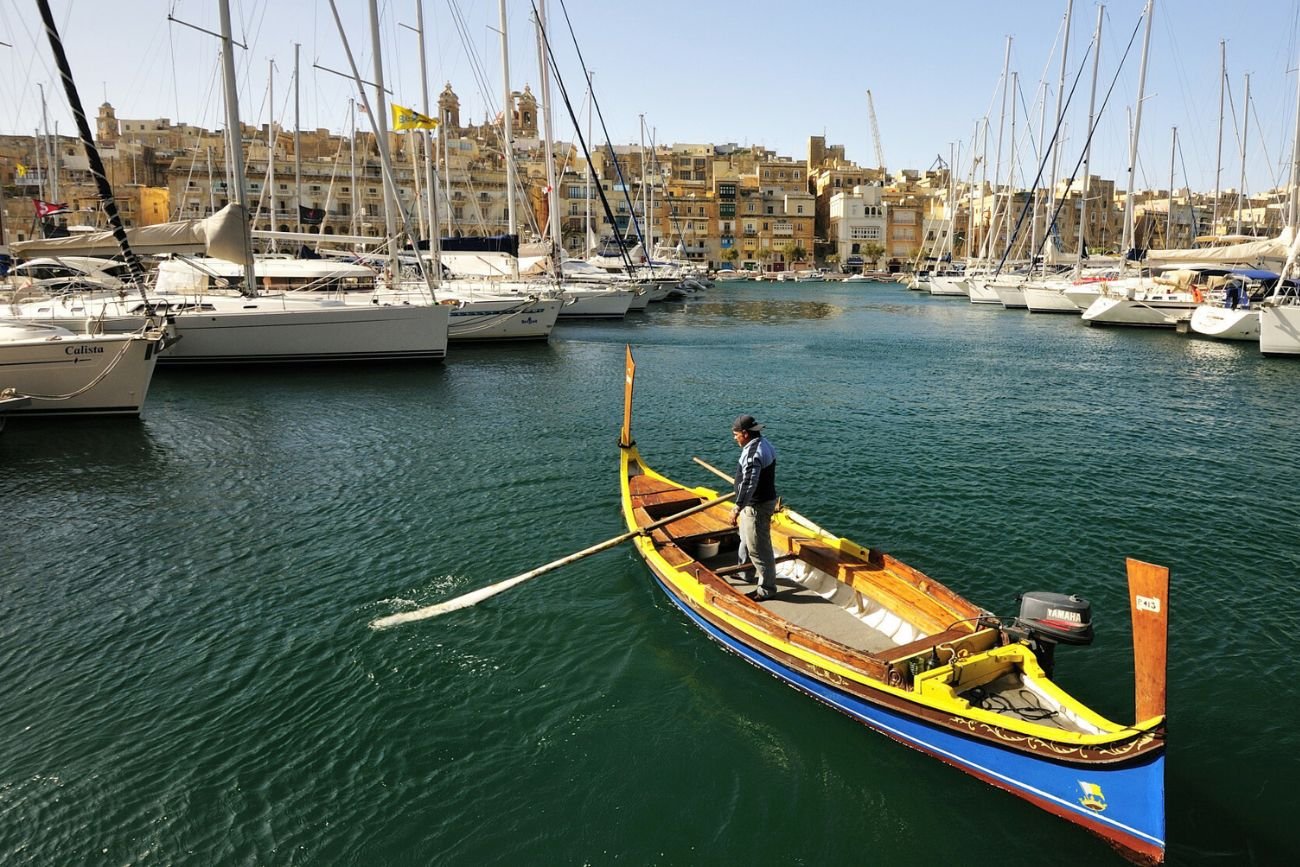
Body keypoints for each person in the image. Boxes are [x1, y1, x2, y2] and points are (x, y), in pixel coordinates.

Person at [729, 414, 778, 600]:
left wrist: (737, 507)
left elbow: (749, 483)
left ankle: (767, 589)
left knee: (758, 548)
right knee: (745, 539)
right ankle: (745, 573)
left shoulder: (752, 453)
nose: (734, 438)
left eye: (735, 435)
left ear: (745, 433)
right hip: (755, 504)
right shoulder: (763, 443)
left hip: (756, 506)